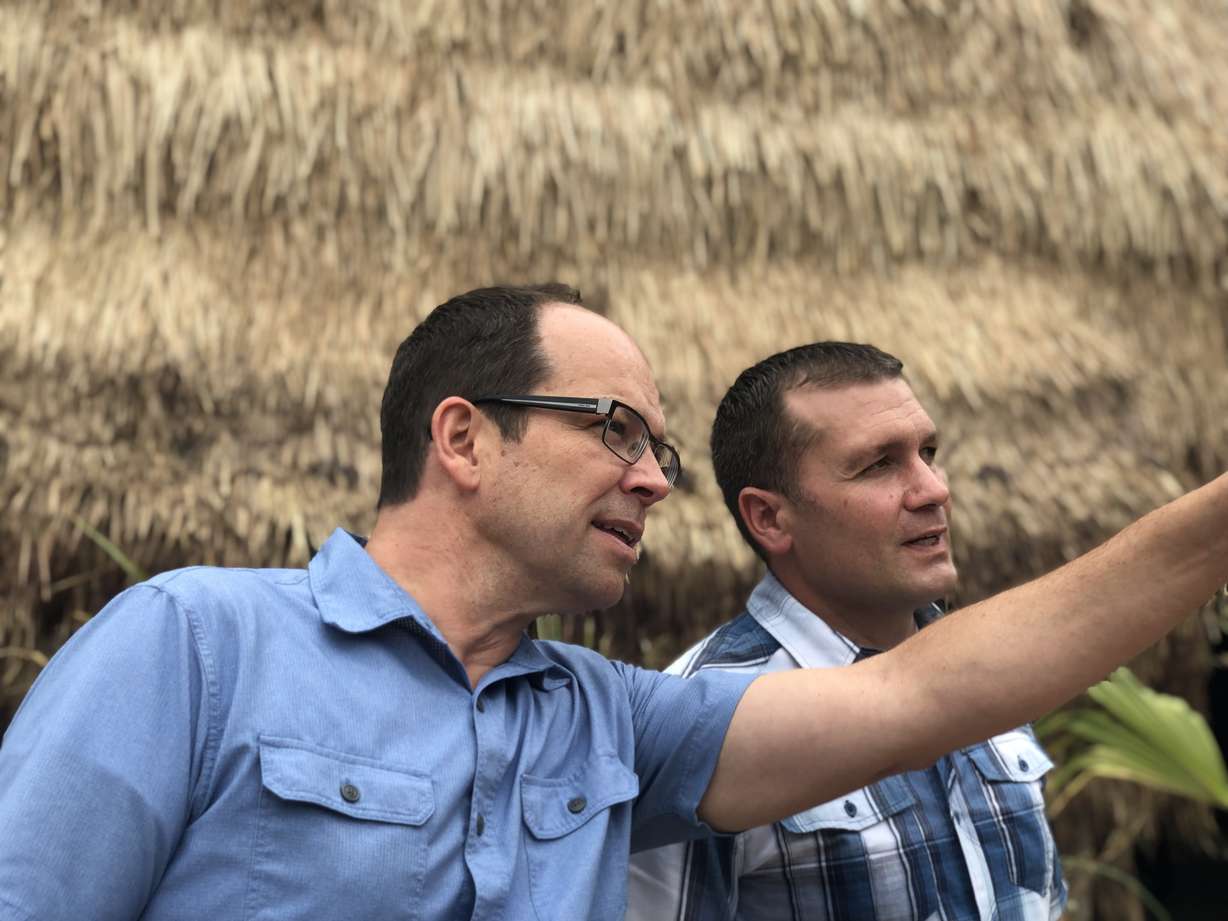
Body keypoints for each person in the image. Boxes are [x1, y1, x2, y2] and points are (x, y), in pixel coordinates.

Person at [1, 285, 1226, 921]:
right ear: (466, 437)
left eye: (661, 450)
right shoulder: (193, 642)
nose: (652, 478)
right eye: (614, 431)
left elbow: (928, 689)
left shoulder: (618, 723)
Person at [629, 342, 1066, 921]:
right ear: (770, 518)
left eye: (927, 453)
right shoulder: (705, 722)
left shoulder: (986, 669)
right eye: (879, 464)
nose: (934, 489)